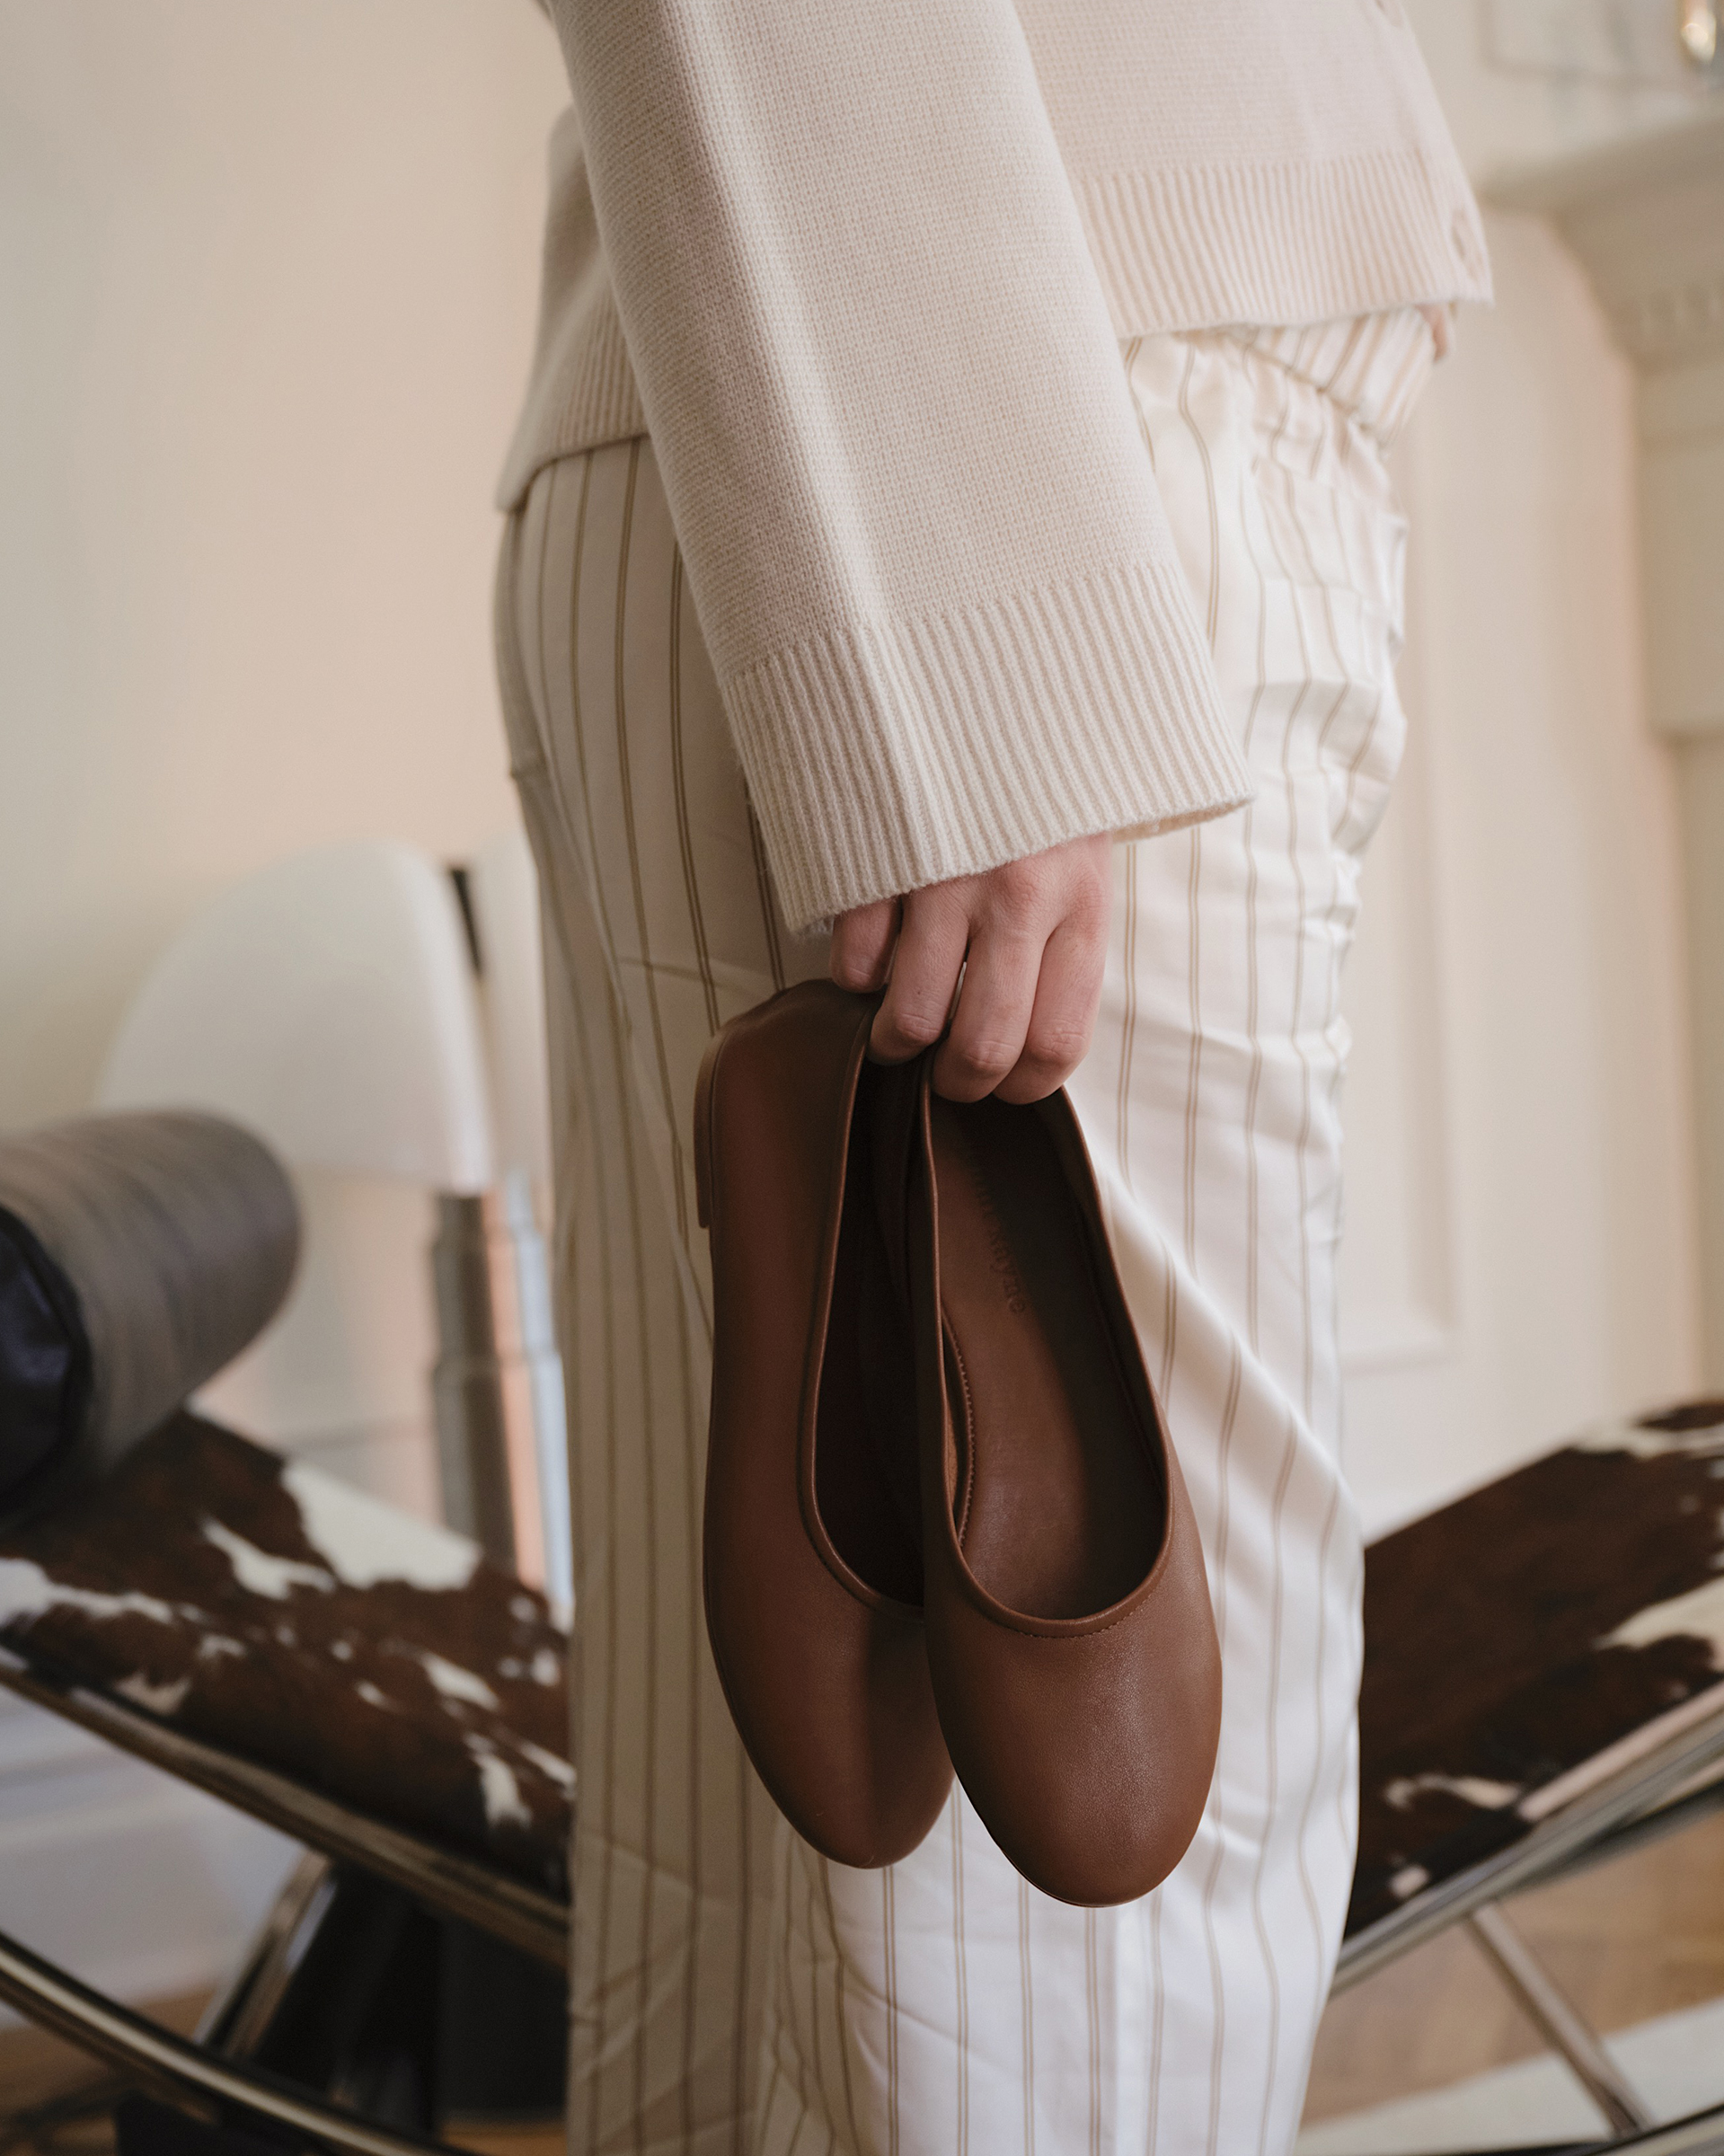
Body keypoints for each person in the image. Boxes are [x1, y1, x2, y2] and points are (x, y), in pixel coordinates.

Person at [491, 4, 1489, 2150]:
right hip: (990, 424)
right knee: (1069, 1936)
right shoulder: (980, 528)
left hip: (868, 391)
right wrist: (961, 654)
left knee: (771, 1865)